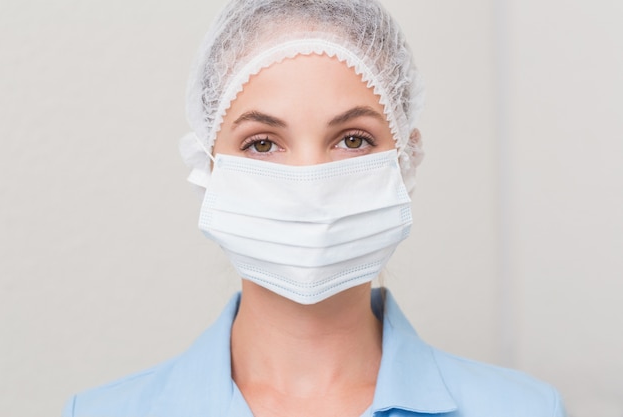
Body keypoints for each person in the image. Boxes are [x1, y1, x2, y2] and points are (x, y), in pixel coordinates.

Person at [62, 0, 567, 416]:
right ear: (208, 167)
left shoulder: (526, 409)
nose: (309, 182)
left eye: (352, 139)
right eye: (262, 143)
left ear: (405, 161)